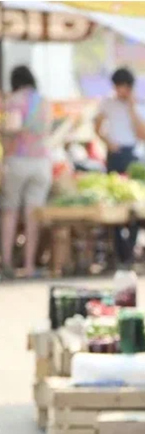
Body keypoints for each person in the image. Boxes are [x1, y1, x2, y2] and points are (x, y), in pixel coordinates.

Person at [95, 67, 145, 266]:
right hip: (115, 153)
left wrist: (132, 108)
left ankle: (131, 247)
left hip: (133, 155)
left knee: (134, 206)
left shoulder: (140, 105)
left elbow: (144, 134)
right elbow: (97, 125)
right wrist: (106, 141)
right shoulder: (107, 103)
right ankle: (121, 252)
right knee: (116, 204)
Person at [1, 66, 52, 279]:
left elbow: (13, 127)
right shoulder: (45, 101)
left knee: (10, 211)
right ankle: (29, 265)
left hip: (18, 160)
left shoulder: (15, 100)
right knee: (32, 215)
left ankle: (6, 262)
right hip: (41, 162)